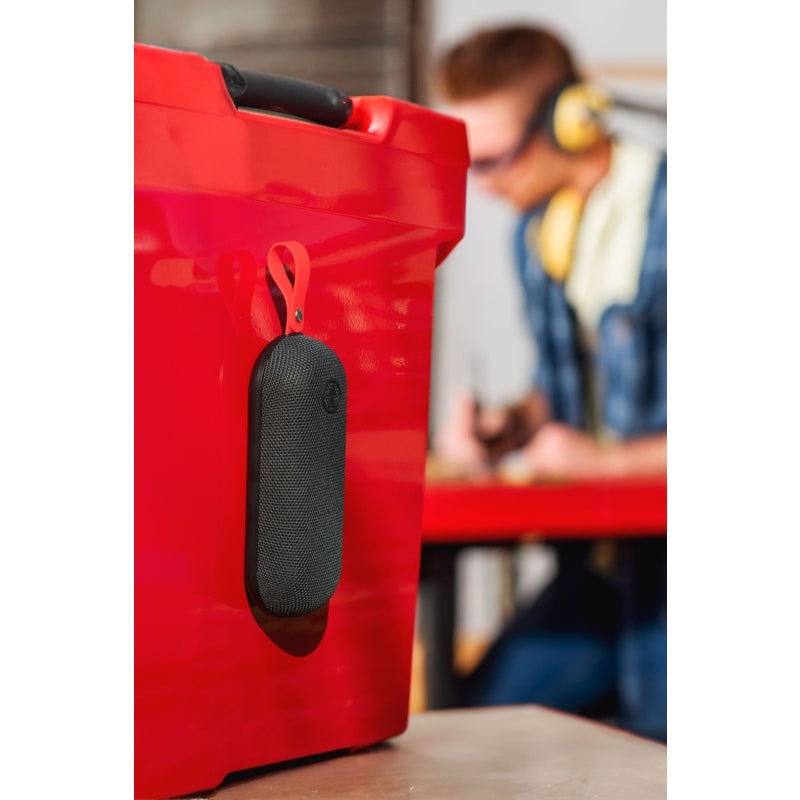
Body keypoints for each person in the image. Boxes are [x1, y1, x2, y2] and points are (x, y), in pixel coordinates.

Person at [431, 24, 667, 741]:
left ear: (572, 119)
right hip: (600, 570)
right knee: (469, 732)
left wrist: (607, 464)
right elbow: (567, 388)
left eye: (493, 158)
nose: (483, 183)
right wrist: (511, 425)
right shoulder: (539, 236)